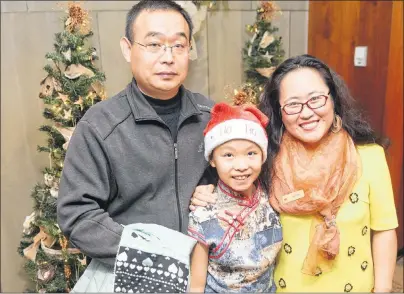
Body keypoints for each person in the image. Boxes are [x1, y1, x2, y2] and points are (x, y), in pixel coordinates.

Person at [190, 54, 398, 292]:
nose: (307, 113)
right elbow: (233, 192)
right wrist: (206, 192)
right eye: (293, 105)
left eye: (316, 99)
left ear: (334, 99)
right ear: (279, 112)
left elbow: (384, 230)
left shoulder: (369, 156)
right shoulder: (266, 160)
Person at [57, 0, 214, 270]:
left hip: (206, 274)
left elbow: (241, 177)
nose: (168, 57)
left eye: (179, 45)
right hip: (133, 271)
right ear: (127, 49)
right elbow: (77, 213)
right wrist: (148, 253)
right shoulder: (100, 125)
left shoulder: (211, 115)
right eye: (154, 44)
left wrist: (215, 189)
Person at [188, 102, 282, 292]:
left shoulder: (271, 195)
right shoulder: (204, 213)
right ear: (212, 160)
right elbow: (196, 286)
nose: (241, 165)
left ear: (262, 156)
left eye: (251, 153)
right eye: (228, 155)